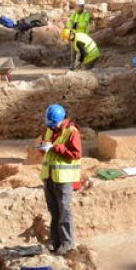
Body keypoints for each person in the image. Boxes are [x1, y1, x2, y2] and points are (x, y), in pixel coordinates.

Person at [39, 103, 82, 254]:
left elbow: (76, 154)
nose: (51, 127)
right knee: (54, 211)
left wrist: (57, 148)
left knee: (64, 211)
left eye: (54, 124)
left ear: (62, 119)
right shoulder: (49, 130)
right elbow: (45, 145)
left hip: (64, 179)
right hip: (49, 176)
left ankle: (67, 243)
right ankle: (55, 242)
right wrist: (43, 147)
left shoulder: (72, 132)